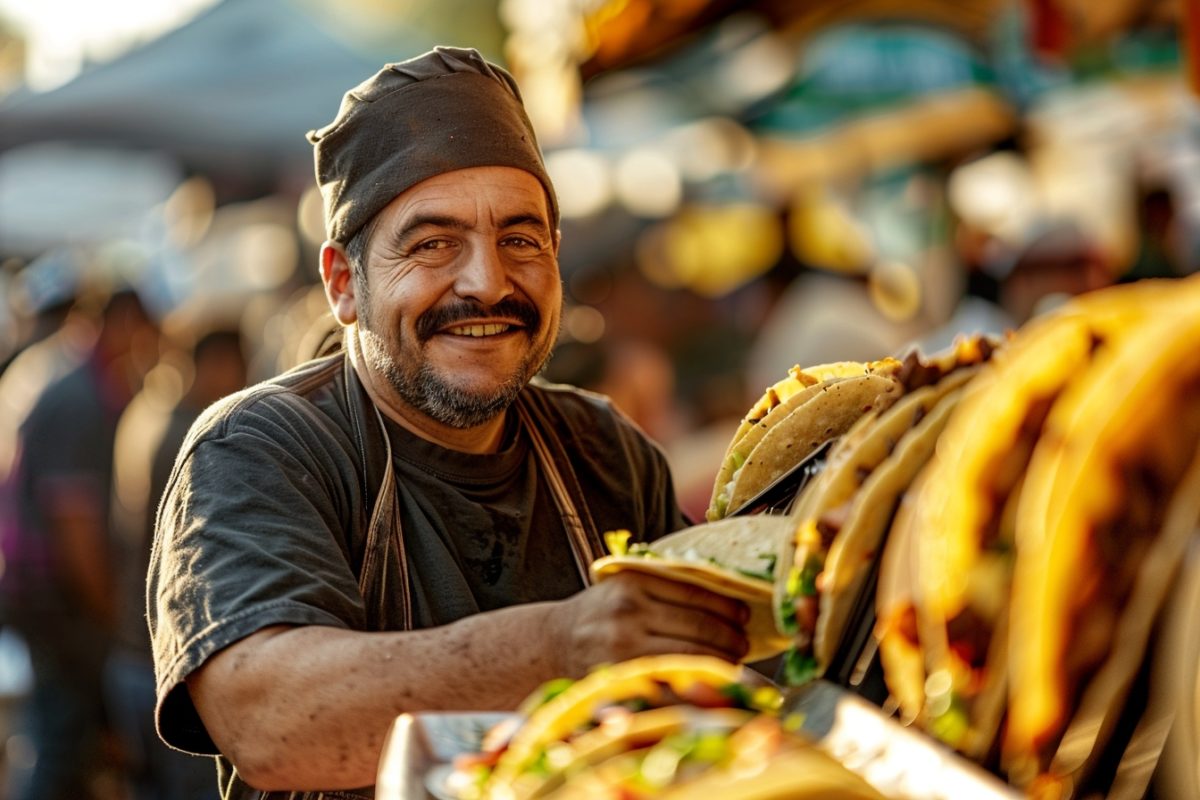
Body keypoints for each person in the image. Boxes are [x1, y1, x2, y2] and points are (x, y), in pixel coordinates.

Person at [148, 46, 751, 800]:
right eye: (433, 244)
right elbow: (271, 720)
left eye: (520, 240)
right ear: (344, 283)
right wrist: (564, 643)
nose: (487, 281)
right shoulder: (260, 449)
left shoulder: (608, 452)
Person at [0, 284, 160, 800]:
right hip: (54, 594)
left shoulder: (77, 377)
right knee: (63, 737)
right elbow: (75, 527)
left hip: (45, 588)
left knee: (72, 734)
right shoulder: (78, 396)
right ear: (122, 322)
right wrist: (110, 613)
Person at [108, 326, 249, 800]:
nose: (243, 379)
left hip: (133, 648)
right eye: (237, 365)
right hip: (166, 661)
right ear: (214, 363)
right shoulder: (196, 434)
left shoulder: (148, 411)